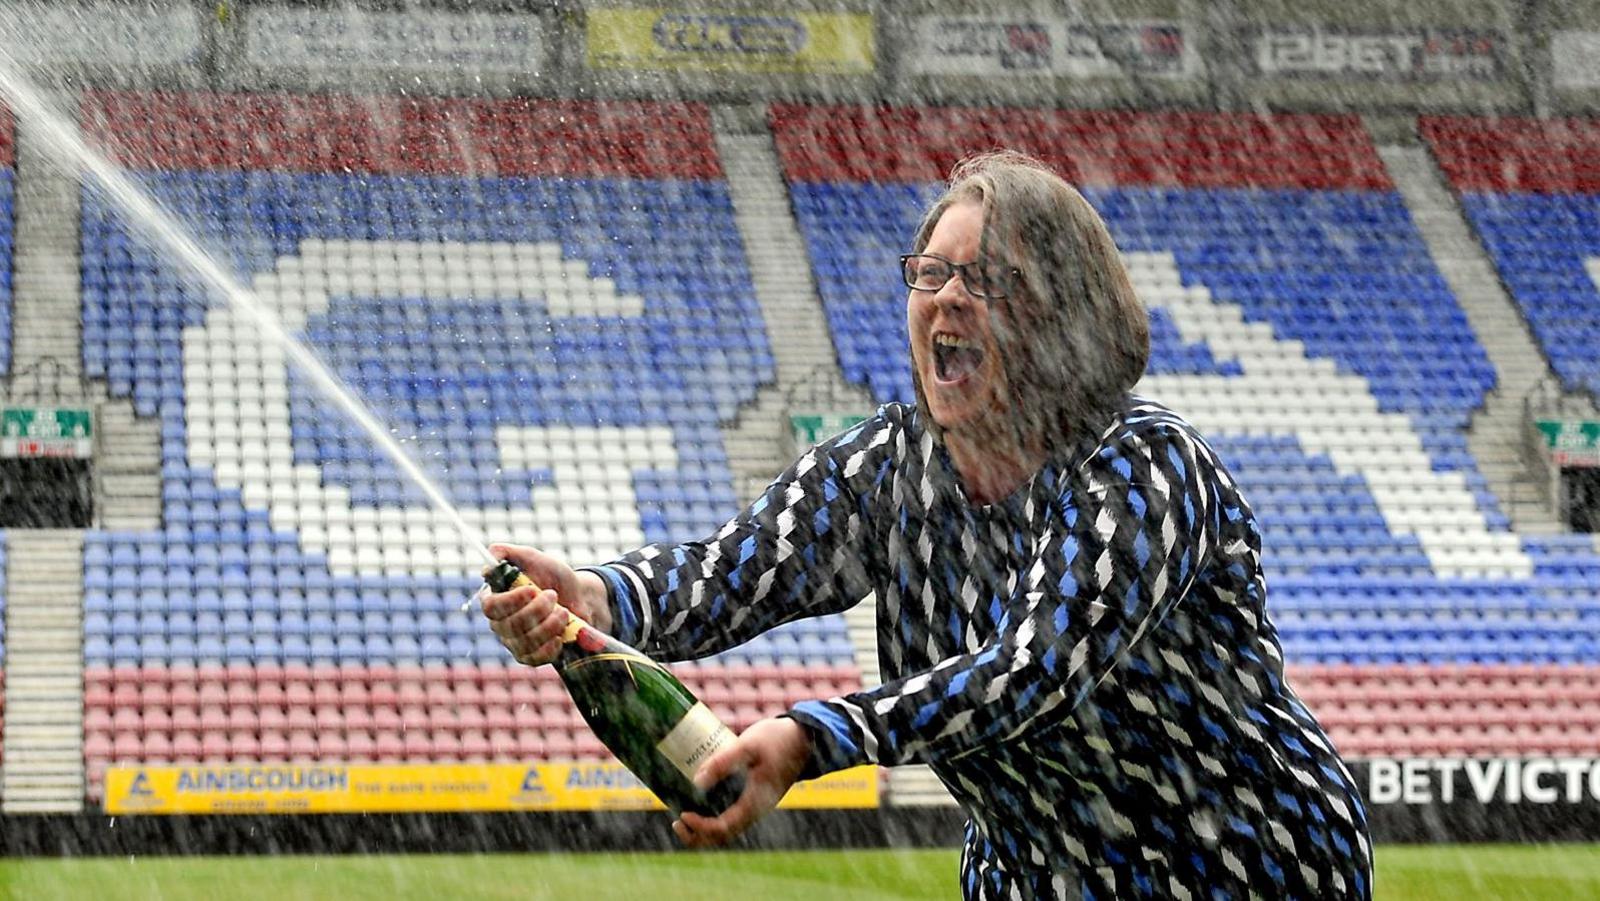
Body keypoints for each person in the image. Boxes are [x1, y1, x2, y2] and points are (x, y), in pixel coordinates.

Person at [481, 149, 1373, 900]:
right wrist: (594, 597)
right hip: (1033, 875)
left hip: (1242, 863)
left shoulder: (1145, 465)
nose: (945, 297)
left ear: (1066, 313)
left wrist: (812, 735)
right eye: (930, 272)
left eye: (984, 278)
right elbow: (729, 573)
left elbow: (1034, 671)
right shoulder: (885, 466)